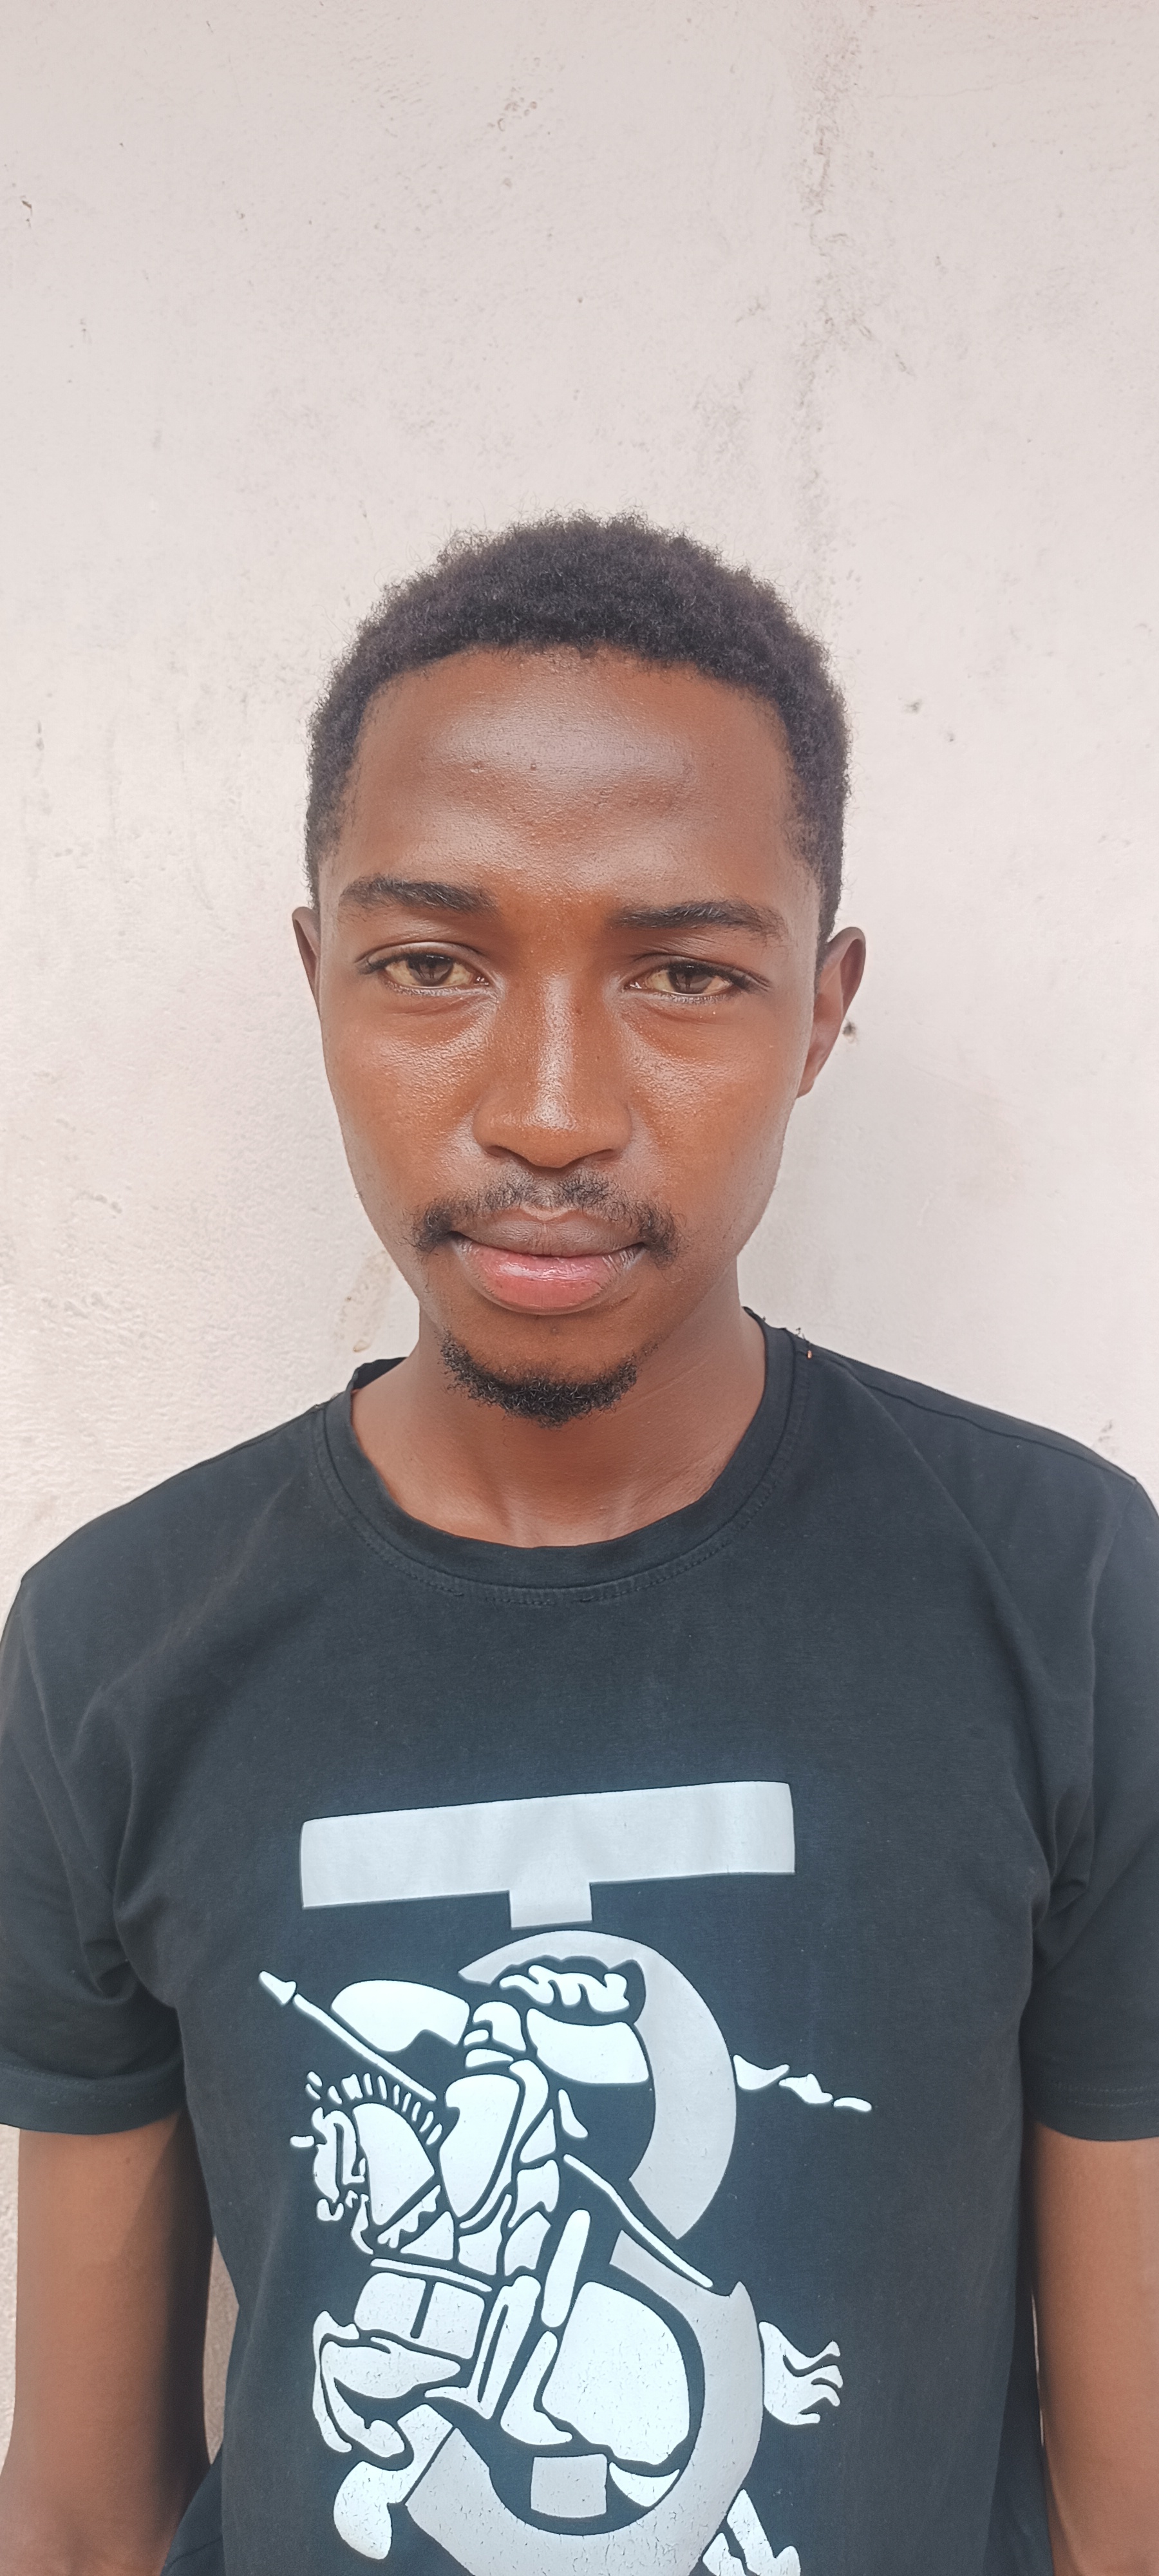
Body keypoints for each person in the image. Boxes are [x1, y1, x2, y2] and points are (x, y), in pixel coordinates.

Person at [0, 518, 1155, 2576]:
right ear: (320, 977)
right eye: (432, 963)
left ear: (822, 1009)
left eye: (687, 973)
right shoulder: (110, 1647)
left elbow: (1129, 2486)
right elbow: (84, 2510)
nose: (548, 1112)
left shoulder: (1064, 1593)